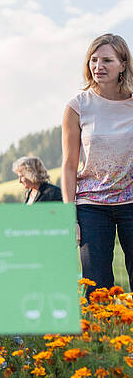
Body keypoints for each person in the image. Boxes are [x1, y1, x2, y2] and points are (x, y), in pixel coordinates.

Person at [62, 33, 133, 293]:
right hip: (92, 206)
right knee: (97, 287)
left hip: (132, 203)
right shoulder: (77, 106)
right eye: (93, 60)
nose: (98, 66)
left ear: (123, 64)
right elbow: (69, 165)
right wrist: (69, 214)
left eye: (107, 60)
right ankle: (100, 335)